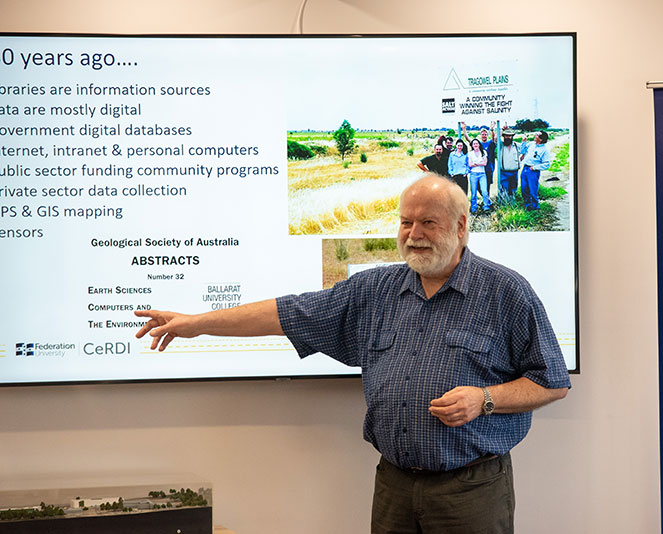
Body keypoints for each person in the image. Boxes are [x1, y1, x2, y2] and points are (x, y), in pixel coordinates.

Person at [134, 175, 569, 533]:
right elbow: (288, 313)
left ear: (460, 227)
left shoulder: (505, 292)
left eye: (428, 223)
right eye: (405, 223)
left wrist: (485, 399)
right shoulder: (374, 290)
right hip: (394, 486)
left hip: (470, 490)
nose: (413, 235)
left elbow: (551, 381)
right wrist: (197, 323)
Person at [519, 131, 551, 211]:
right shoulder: (531, 144)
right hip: (525, 168)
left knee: (533, 190)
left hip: (533, 171)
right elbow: (522, 151)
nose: (535, 135)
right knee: (524, 189)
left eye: (537, 135)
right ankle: (527, 206)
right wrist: (523, 142)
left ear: (540, 139)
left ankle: (535, 208)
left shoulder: (544, 150)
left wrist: (535, 167)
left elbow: (547, 164)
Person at [497, 128, 523, 199]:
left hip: (514, 172)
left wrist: (522, 157)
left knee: (513, 190)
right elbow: (496, 138)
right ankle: (504, 206)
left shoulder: (517, 145)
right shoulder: (500, 145)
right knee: (504, 190)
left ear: (512, 137)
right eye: (506, 136)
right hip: (504, 173)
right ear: (503, 136)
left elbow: (525, 150)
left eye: (510, 136)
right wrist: (502, 129)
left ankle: (512, 205)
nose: (508, 137)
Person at [467, 138, 491, 214]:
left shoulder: (483, 152)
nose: (475, 145)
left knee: (484, 191)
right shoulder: (470, 153)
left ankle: (486, 206)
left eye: (477, 143)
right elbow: (470, 164)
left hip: (482, 174)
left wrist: (476, 163)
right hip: (473, 174)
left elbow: (485, 163)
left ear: (479, 144)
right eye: (474, 144)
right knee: (473, 192)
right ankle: (474, 207)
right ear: (472, 145)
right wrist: (479, 162)